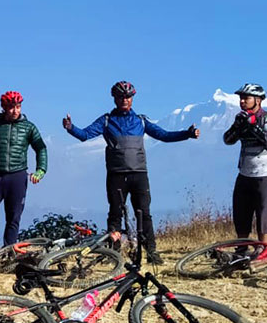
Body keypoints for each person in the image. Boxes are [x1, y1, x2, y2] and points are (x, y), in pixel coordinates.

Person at [63, 81, 199, 265]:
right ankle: (114, 253)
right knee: (115, 214)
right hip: (116, 175)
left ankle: (151, 251)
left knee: (144, 213)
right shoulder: (106, 121)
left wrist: (187, 134)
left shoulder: (140, 121)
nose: (124, 100)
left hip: (139, 174)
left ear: (132, 99)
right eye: (121, 97)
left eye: (128, 97)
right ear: (114, 99)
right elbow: (85, 135)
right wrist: (71, 127)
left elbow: (164, 135)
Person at [0, 91, 47, 268]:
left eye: (18, 107)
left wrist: (41, 170)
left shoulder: (29, 127)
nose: (15, 111)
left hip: (18, 176)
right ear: (4, 108)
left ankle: (9, 254)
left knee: (13, 218)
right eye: (12, 107)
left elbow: (41, 148)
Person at [223, 84, 267, 243]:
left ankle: (264, 249)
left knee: (264, 215)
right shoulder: (242, 117)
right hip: (244, 173)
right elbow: (227, 140)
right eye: (240, 98)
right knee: (241, 214)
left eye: (246, 98)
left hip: (266, 174)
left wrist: (253, 126)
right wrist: (237, 126)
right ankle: (242, 250)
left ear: (258, 100)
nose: (242, 101)